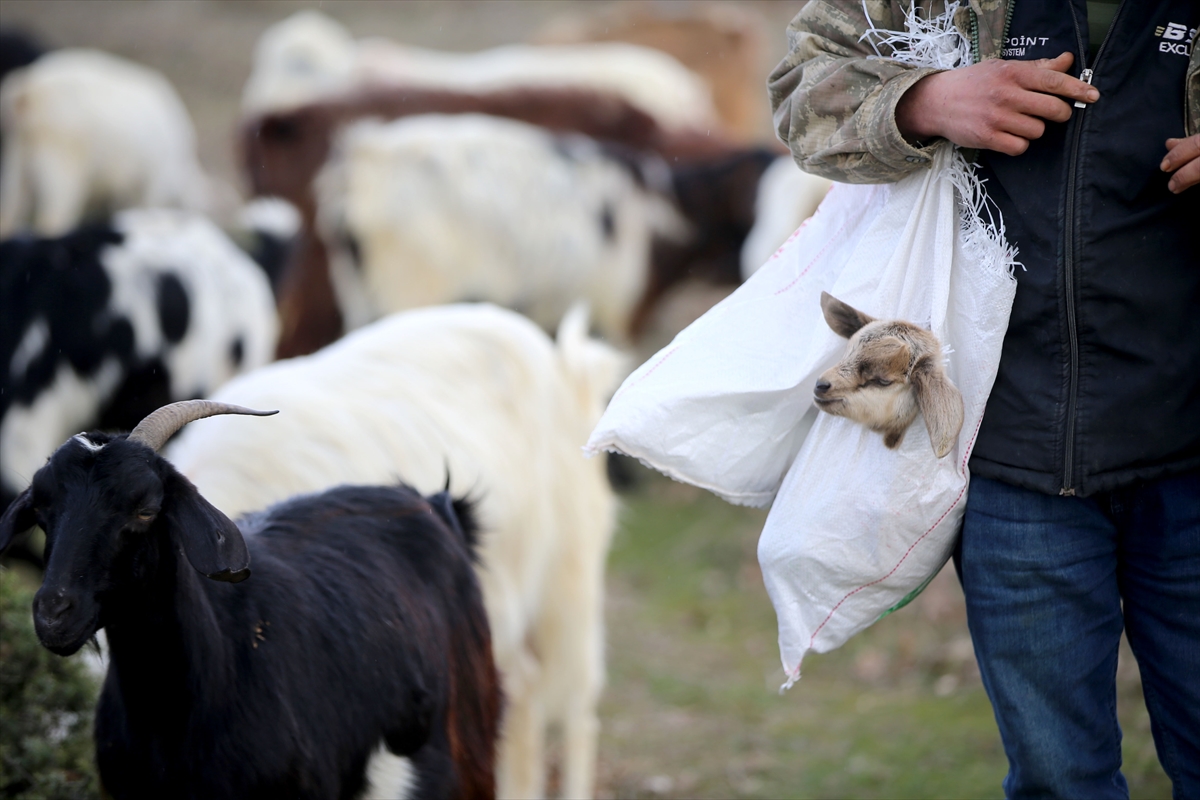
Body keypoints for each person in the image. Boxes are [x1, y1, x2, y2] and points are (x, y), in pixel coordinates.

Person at [769, 2, 1199, 797]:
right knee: (1054, 777)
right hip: (1010, 457)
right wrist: (921, 102)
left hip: (1192, 449)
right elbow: (801, 88)